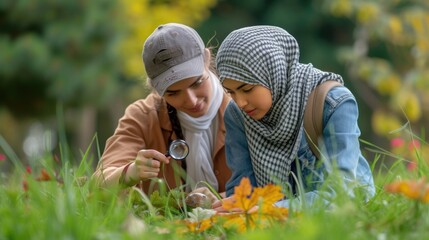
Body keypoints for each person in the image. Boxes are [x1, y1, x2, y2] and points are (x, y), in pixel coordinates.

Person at [214, 25, 375, 209]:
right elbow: (243, 190)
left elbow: (343, 191)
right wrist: (235, 207)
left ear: (274, 71)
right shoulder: (236, 114)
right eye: (231, 92)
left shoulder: (333, 103)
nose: (240, 102)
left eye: (247, 89)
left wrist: (273, 210)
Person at [92, 23, 231, 195]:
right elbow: (98, 183)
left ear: (207, 59)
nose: (191, 100)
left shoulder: (244, 108)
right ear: (156, 90)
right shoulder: (143, 116)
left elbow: (268, 184)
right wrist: (130, 172)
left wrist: (222, 200)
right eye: (173, 93)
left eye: (197, 83)